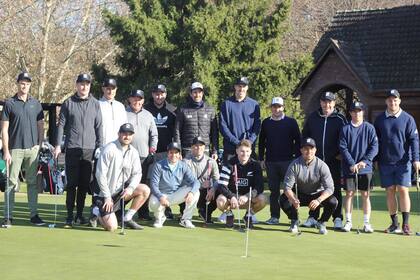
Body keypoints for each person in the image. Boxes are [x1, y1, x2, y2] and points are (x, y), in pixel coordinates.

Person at [54, 73, 103, 228]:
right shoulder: (68, 103)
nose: (84, 87)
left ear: (90, 86)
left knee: (83, 185)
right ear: (76, 85)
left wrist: (100, 146)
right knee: (71, 184)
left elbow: (99, 126)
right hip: (73, 148)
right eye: (81, 84)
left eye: (87, 84)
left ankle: (80, 215)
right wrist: (57, 145)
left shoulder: (95, 103)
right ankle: (69, 216)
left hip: (89, 149)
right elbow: (61, 124)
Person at [1, 72, 45, 227]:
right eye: (22, 82)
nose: (24, 85)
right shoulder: (9, 103)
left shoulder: (36, 103)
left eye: (27, 83)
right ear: (18, 84)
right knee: (11, 182)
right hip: (15, 149)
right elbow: (4, 129)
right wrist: (6, 151)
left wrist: (39, 144)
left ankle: (34, 215)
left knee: (32, 183)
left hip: (32, 149)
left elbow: (40, 125)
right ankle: (8, 216)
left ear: (30, 84)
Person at [374, 89, 420, 235]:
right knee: (389, 191)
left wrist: (416, 159)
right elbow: (376, 142)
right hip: (385, 162)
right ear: (386, 101)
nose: (392, 102)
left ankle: (406, 224)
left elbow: (414, 141)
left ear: (399, 101)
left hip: (403, 161)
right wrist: (374, 159)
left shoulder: (408, 119)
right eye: (389, 100)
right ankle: (394, 224)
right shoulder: (380, 119)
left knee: (402, 189)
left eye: (395, 100)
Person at [301, 91, 347, 229]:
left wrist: (340, 153)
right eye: (324, 101)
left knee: (335, 189)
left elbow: (345, 138)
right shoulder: (313, 117)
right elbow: (305, 136)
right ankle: (313, 217)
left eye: (330, 102)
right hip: (315, 162)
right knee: (315, 189)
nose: (327, 104)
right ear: (320, 102)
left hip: (334, 161)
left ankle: (337, 217)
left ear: (334, 103)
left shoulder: (340, 119)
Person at [94, 123, 150, 231]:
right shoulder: (109, 149)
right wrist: (107, 196)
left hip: (121, 193)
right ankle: (96, 210)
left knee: (144, 189)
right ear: (119, 134)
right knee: (112, 227)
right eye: (124, 133)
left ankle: (127, 218)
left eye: (130, 134)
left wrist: (130, 188)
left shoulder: (133, 152)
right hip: (104, 194)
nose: (127, 136)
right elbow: (100, 174)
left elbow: (137, 173)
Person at [280, 137, 338, 235]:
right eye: (306, 149)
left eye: (311, 148)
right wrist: (293, 199)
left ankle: (321, 222)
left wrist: (319, 200)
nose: (309, 151)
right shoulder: (294, 164)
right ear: (301, 150)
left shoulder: (322, 165)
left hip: (317, 195)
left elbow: (330, 188)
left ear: (315, 150)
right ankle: (294, 220)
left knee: (333, 201)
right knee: (283, 199)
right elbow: (287, 187)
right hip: (300, 194)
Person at [258, 97, 301, 225]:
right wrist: (261, 159)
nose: (276, 109)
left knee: (290, 191)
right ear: (271, 107)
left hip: (288, 162)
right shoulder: (266, 123)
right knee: (274, 192)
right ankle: (274, 217)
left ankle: (294, 217)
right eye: (274, 106)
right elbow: (261, 142)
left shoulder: (291, 122)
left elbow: (298, 141)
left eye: (279, 106)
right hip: (271, 162)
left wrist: (296, 158)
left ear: (283, 107)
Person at [339, 101, 378, 233]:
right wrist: (351, 164)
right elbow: (343, 148)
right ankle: (348, 221)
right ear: (350, 113)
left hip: (365, 168)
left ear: (363, 112)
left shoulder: (369, 128)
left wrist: (365, 161)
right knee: (349, 193)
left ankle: (367, 223)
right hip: (349, 168)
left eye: (359, 111)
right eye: (354, 111)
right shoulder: (345, 129)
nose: (357, 113)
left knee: (365, 194)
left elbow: (374, 147)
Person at [216, 139, 266, 228]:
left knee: (263, 199)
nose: (244, 154)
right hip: (232, 199)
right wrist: (231, 196)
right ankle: (229, 214)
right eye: (242, 151)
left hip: (248, 199)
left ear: (250, 152)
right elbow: (221, 186)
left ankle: (248, 216)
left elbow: (260, 187)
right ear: (237, 151)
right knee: (220, 201)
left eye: (247, 151)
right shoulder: (229, 164)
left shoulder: (256, 165)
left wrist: (247, 196)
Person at [149, 142, 200, 229]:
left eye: (176, 153)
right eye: (171, 152)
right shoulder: (158, 165)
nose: (174, 155)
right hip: (161, 194)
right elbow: (153, 185)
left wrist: (191, 193)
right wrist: (160, 197)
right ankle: (160, 218)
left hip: (175, 194)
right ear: (167, 153)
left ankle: (186, 219)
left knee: (196, 192)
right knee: (153, 203)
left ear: (179, 154)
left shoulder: (183, 166)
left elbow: (196, 182)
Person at [144, 84, 177, 219]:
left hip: (166, 152)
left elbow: (176, 132)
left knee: (165, 182)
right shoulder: (146, 109)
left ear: (165, 94)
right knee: (148, 181)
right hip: (149, 152)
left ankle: (166, 208)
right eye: (156, 93)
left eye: (162, 93)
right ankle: (143, 210)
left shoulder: (172, 110)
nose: (159, 96)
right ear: (152, 94)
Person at [126, 89, 158, 220]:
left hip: (144, 156)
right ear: (130, 99)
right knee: (127, 184)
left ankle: (142, 212)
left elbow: (154, 135)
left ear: (143, 101)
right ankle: (120, 209)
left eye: (139, 99)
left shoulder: (148, 115)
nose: (136, 101)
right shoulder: (123, 113)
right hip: (127, 156)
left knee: (143, 185)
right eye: (134, 98)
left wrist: (152, 149)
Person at [219, 77, 261, 163]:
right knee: (229, 175)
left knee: (250, 176)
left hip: (248, 150)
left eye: (244, 86)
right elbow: (223, 127)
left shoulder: (254, 105)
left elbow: (257, 126)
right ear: (235, 87)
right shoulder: (226, 104)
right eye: (239, 86)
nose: (241, 89)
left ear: (247, 88)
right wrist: (237, 142)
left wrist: (249, 142)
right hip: (231, 149)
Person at [174, 82, 218, 158]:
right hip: (187, 149)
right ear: (191, 94)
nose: (197, 95)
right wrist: (178, 151)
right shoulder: (182, 110)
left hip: (204, 149)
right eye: (195, 92)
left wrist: (215, 151)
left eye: (199, 92)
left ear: (203, 93)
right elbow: (177, 131)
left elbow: (214, 133)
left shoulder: (210, 110)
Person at [183, 136, 220, 223]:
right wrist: (199, 184)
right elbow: (182, 180)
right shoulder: (185, 161)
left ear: (204, 147)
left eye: (201, 145)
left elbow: (217, 179)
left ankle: (206, 212)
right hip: (190, 191)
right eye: (196, 145)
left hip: (205, 193)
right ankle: (183, 213)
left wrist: (213, 188)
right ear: (192, 147)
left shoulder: (211, 162)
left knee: (219, 190)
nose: (198, 148)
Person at [98, 78, 127, 145]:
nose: (111, 92)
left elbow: (124, 127)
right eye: (108, 89)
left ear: (116, 89)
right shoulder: (97, 105)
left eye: (113, 89)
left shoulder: (120, 106)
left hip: (118, 146)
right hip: (102, 146)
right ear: (103, 89)